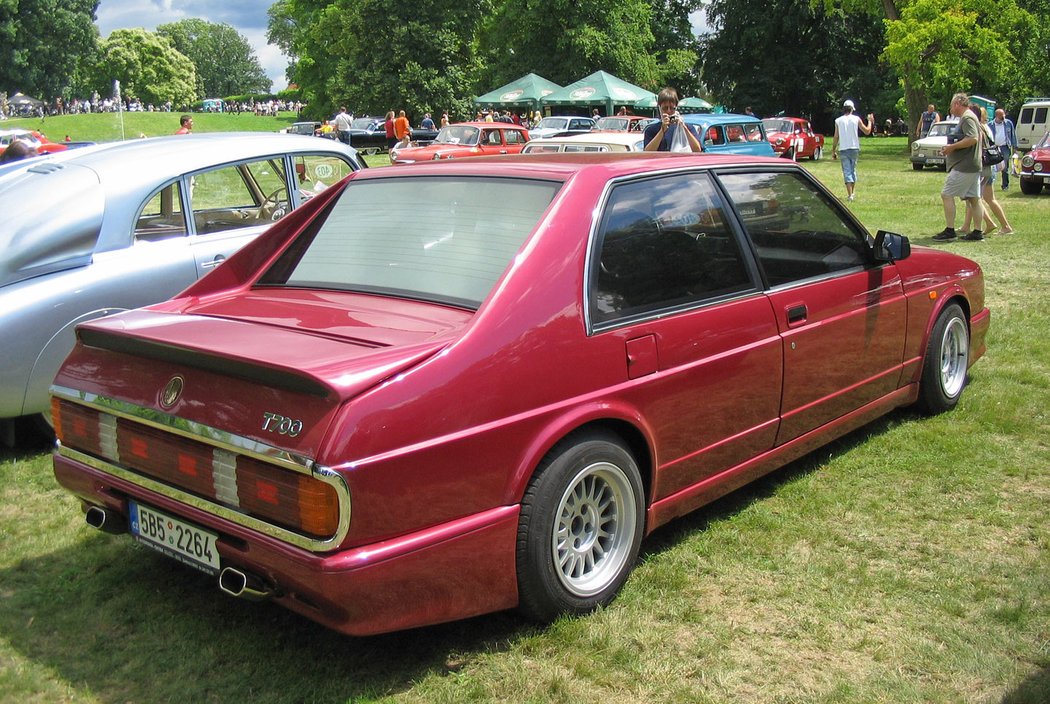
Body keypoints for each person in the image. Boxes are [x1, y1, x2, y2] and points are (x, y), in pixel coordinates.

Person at [933, 93, 984, 242]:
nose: (950, 108)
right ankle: (977, 232)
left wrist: (952, 147)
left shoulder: (967, 117)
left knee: (946, 194)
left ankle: (950, 231)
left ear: (957, 104)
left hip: (965, 165)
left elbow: (973, 138)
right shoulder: (970, 116)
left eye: (951, 105)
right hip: (973, 164)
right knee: (974, 198)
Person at [961, 105, 1014, 236]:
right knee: (984, 198)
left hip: (981, 167)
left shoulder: (977, 128)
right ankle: (966, 226)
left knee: (974, 198)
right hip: (989, 167)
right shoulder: (986, 127)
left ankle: (993, 224)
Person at [831, 99, 874, 201]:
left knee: (847, 171)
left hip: (843, 148)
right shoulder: (856, 119)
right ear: (852, 109)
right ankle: (852, 193)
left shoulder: (838, 120)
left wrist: (833, 150)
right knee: (852, 170)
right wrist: (870, 121)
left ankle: (850, 194)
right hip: (854, 148)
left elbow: (836, 136)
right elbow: (867, 131)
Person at [643, 87, 702, 152]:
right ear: (659, 108)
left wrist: (684, 127)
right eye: (665, 108)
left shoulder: (689, 128)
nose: (668, 111)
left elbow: (697, 150)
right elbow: (647, 152)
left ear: (676, 107)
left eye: (672, 108)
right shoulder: (651, 130)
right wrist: (662, 130)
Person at [989, 108, 1017, 190]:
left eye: (1004, 116)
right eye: (1001, 117)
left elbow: (1013, 135)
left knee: (1005, 168)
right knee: (992, 167)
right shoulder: (990, 125)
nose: (1003, 118)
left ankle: (1005, 186)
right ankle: (990, 185)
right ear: (996, 116)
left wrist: (1014, 147)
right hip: (994, 147)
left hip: (1005, 147)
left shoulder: (1008, 123)